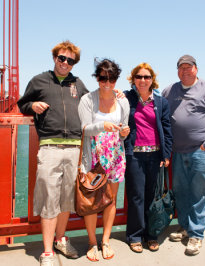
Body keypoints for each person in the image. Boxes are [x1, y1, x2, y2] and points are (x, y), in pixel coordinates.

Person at [17, 41, 88, 266]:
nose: (65, 63)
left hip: (75, 147)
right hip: (49, 148)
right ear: (54, 57)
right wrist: (33, 106)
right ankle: (47, 251)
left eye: (70, 60)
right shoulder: (39, 80)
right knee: (49, 198)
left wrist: (115, 94)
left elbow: (92, 104)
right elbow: (22, 104)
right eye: (61, 58)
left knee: (66, 200)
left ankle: (60, 240)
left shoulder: (78, 84)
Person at [162, 55, 205, 256]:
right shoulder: (169, 90)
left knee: (201, 193)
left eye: (188, 67)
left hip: (200, 152)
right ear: (177, 71)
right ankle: (184, 227)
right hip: (178, 152)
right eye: (181, 68)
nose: (185, 71)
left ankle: (196, 235)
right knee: (181, 192)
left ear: (196, 69)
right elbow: (155, 106)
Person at [78, 59, 130, 262]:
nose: (107, 83)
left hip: (116, 156)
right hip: (93, 156)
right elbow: (84, 129)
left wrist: (124, 131)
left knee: (110, 200)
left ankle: (105, 240)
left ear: (116, 79)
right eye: (102, 78)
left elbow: (123, 131)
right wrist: (102, 126)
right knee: (92, 200)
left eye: (111, 79)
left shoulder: (123, 101)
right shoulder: (87, 100)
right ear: (97, 78)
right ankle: (92, 242)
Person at [124, 63, 172, 253]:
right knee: (136, 197)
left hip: (155, 155)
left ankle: (151, 235)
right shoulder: (126, 99)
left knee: (151, 197)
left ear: (152, 80)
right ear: (133, 79)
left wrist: (166, 154)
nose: (143, 80)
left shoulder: (161, 102)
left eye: (147, 77)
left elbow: (167, 130)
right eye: (139, 76)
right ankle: (135, 236)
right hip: (134, 155)